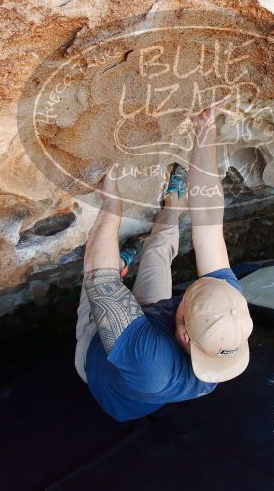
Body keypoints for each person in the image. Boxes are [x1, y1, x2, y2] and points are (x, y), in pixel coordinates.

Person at [73, 107, 253, 422]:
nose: (192, 288)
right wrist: (204, 130)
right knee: (158, 252)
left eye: (189, 298)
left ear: (183, 334)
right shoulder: (226, 312)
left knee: (101, 278)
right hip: (153, 326)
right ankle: (174, 202)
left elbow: (100, 282)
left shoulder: (151, 364)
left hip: (102, 358)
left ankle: (121, 263)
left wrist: (112, 205)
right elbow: (209, 226)